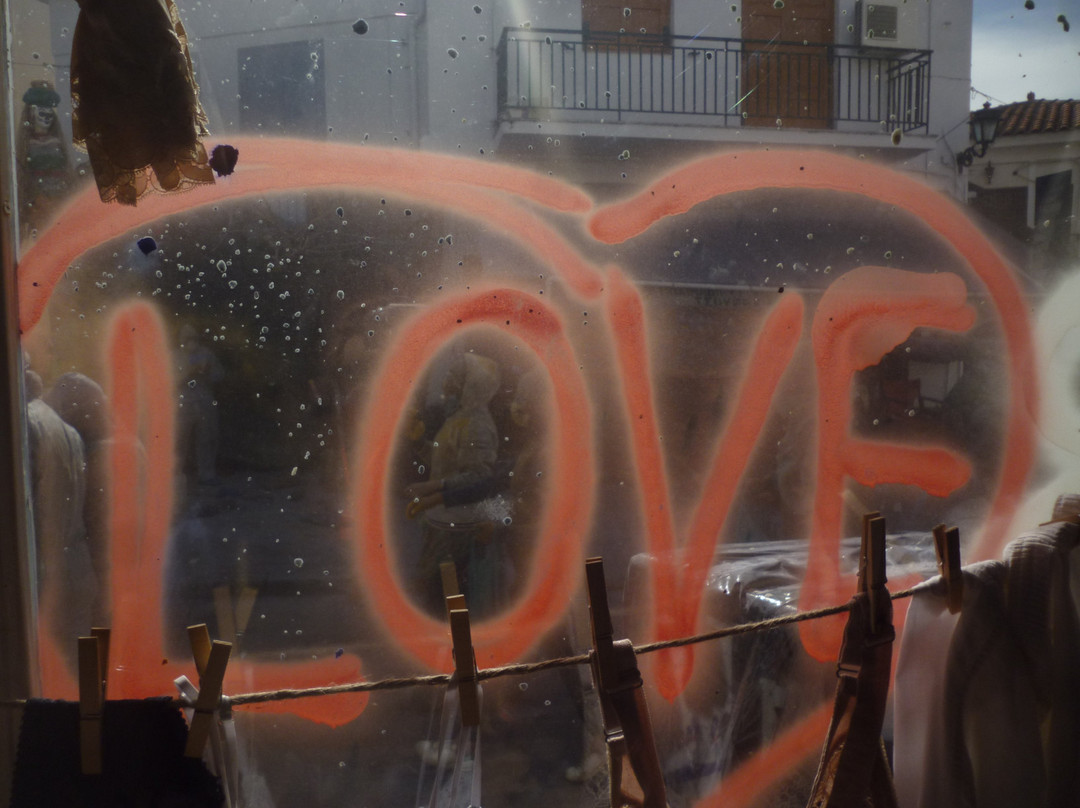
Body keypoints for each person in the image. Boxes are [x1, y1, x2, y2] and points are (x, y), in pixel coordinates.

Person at [405, 353, 500, 616]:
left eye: (453, 376)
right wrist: (418, 441)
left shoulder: (477, 425)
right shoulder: (458, 419)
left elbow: (478, 478)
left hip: (459, 532)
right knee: (435, 597)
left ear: (468, 384)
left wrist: (433, 490)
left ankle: (454, 651)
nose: (447, 382)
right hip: (442, 528)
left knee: (448, 600)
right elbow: (445, 462)